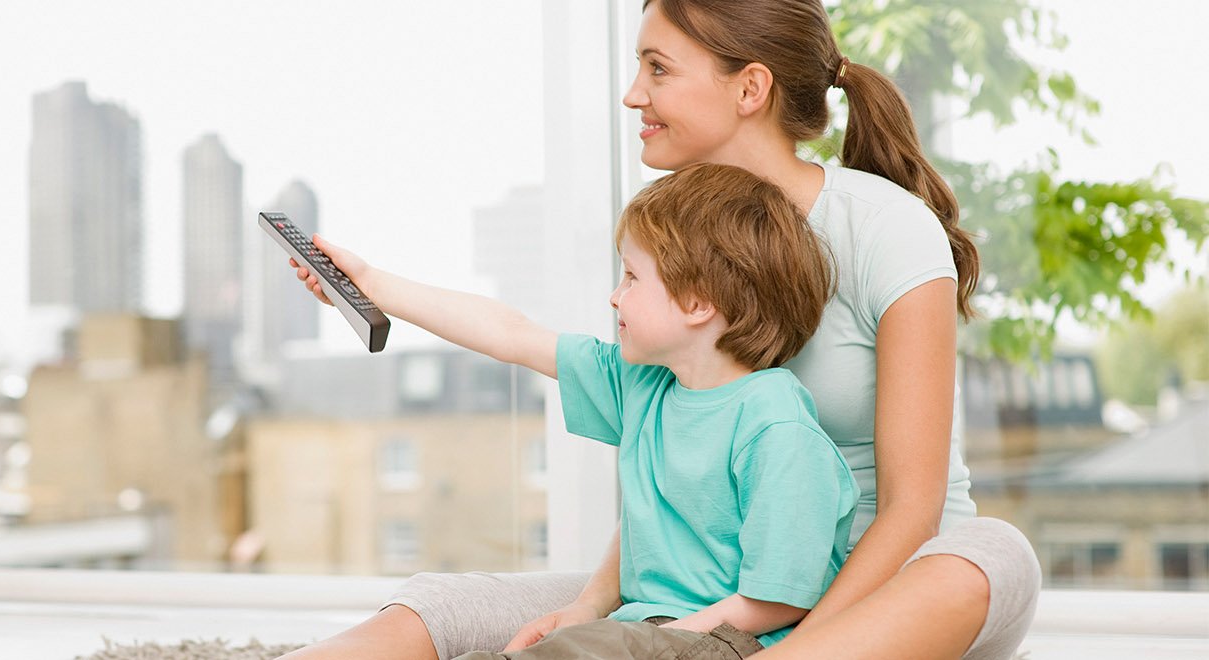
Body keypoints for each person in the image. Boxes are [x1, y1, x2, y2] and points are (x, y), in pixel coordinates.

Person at [281, 2, 1040, 660]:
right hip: (705, 588)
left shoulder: (885, 230)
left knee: (988, 558)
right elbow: (659, 447)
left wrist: (785, 643)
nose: (632, 93)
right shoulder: (684, 236)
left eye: (658, 68)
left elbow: (916, 509)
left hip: (878, 587)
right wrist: (592, 609)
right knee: (443, 606)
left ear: (750, 87)